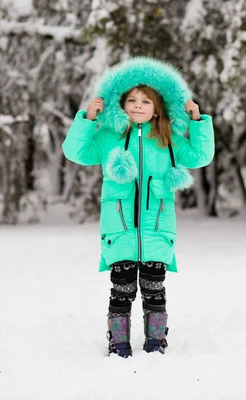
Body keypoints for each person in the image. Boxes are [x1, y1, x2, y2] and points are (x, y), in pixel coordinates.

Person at [62, 57, 215, 358]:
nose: (138, 105)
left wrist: (198, 122)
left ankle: (156, 342)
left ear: (158, 107)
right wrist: (88, 118)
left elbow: (201, 156)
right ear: (121, 103)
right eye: (131, 99)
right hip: (119, 228)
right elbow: (75, 151)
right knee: (121, 291)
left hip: (157, 228)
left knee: (154, 290)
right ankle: (118, 343)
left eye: (146, 101)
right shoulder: (109, 137)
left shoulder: (168, 139)